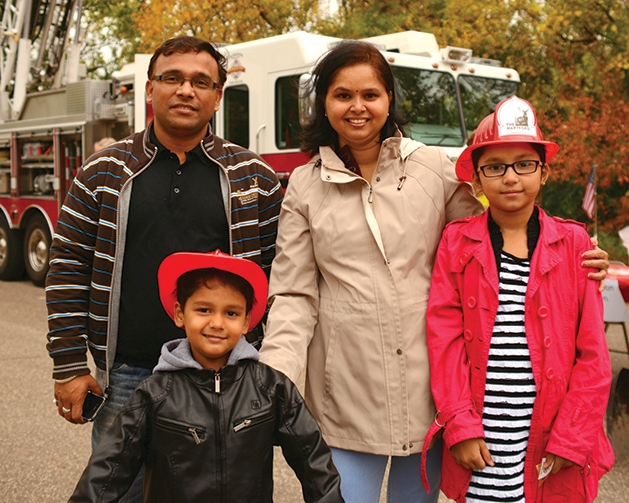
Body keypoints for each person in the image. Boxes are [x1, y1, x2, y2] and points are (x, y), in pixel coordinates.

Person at [257, 41, 609, 503]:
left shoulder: (431, 166)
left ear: (389, 100)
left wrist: (571, 253)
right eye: (343, 95)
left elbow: (493, 232)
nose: (357, 107)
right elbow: (294, 295)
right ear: (323, 103)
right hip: (345, 390)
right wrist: (274, 379)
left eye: (371, 94)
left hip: (430, 393)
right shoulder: (305, 184)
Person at [46, 36, 283, 502]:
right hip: (129, 375)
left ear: (218, 95)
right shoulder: (103, 172)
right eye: (172, 78)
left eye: (201, 82)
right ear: (150, 88)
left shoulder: (253, 177)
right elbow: (68, 266)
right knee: (118, 493)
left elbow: (281, 278)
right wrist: (70, 364)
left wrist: (267, 366)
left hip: (225, 377)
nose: (185, 90)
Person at [421, 96, 614, 503]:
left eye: (524, 164)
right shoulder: (457, 242)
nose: (510, 177)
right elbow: (444, 339)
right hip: (483, 438)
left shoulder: (575, 243)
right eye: (495, 167)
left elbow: (594, 355)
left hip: (552, 436)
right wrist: (459, 425)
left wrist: (572, 437)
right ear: (476, 180)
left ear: (544, 173)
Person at [68, 250, 344, 503]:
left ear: (247, 321)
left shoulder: (271, 388)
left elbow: (314, 461)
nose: (217, 323)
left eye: (231, 313)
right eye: (204, 310)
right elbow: (107, 470)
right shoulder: (154, 394)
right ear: (180, 314)